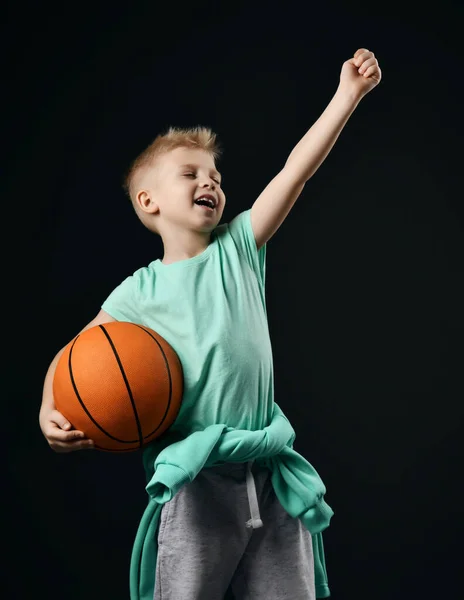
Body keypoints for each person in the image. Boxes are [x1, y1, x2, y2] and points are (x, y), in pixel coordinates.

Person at [39, 48, 382, 599]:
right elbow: (73, 354)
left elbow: (295, 172)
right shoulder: (139, 290)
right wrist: (47, 406)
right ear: (148, 201)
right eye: (191, 173)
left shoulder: (240, 247)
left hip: (269, 467)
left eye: (216, 175)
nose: (211, 181)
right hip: (196, 480)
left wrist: (348, 95)